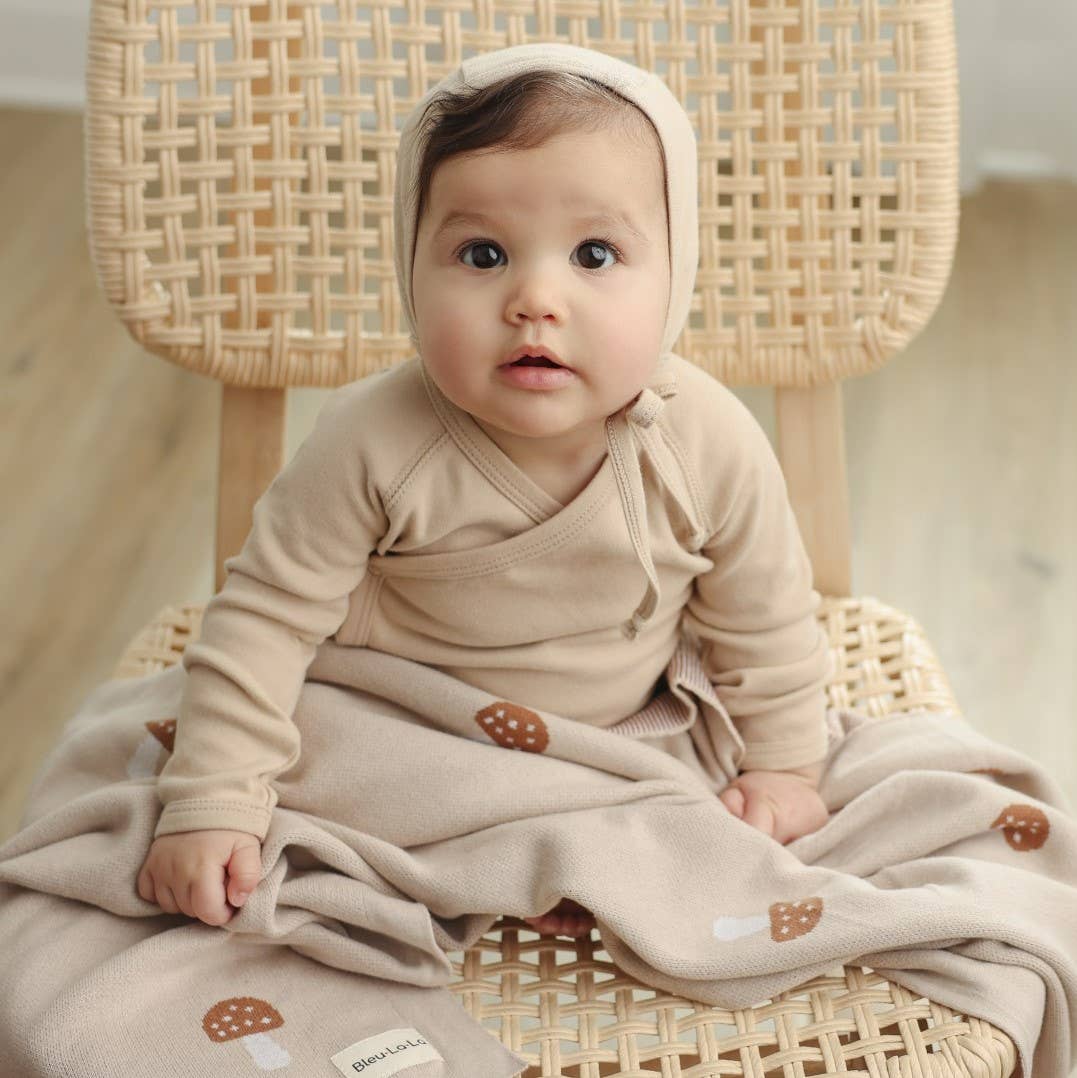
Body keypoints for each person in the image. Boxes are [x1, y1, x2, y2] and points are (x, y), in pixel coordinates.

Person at [137, 43, 832, 940]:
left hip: (624, 734)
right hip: (411, 717)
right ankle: (508, 854)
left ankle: (553, 849)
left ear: (676, 273)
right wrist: (212, 801)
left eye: (594, 252)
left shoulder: (709, 440)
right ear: (409, 267)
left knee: (699, 826)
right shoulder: (371, 440)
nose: (534, 297)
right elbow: (263, 621)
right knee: (314, 754)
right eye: (481, 253)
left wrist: (785, 770)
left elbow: (765, 619)